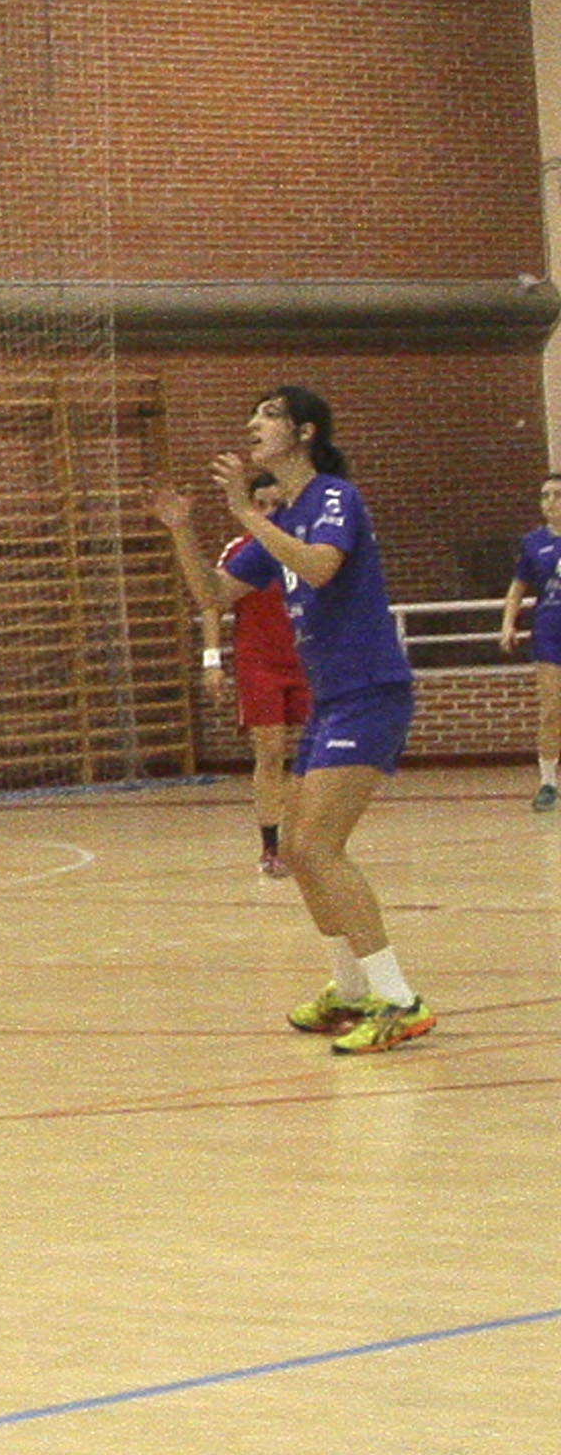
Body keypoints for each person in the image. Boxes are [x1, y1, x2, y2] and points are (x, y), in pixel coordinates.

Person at [176, 389, 431, 1054]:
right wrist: (181, 527)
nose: (253, 423)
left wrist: (243, 512)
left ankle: (399, 999)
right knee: (295, 849)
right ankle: (350, 990)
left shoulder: (334, 498)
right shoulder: (283, 516)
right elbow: (211, 593)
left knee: (319, 847)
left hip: (370, 690)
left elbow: (320, 567)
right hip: (332, 699)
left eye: (267, 414)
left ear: (304, 431)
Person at [155, 474, 309, 878]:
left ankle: (310, 838)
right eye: (262, 504)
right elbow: (212, 602)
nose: (270, 512)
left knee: (318, 754)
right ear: (250, 507)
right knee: (271, 751)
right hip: (259, 662)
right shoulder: (242, 551)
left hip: (307, 660)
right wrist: (211, 660)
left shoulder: (305, 548)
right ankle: (271, 846)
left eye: (279, 503)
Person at [497, 471, 561, 810]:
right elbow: (518, 587)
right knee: (552, 710)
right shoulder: (534, 542)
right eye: (544, 495)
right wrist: (509, 624)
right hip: (550, 631)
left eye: (557, 495)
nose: (550, 502)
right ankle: (549, 782)